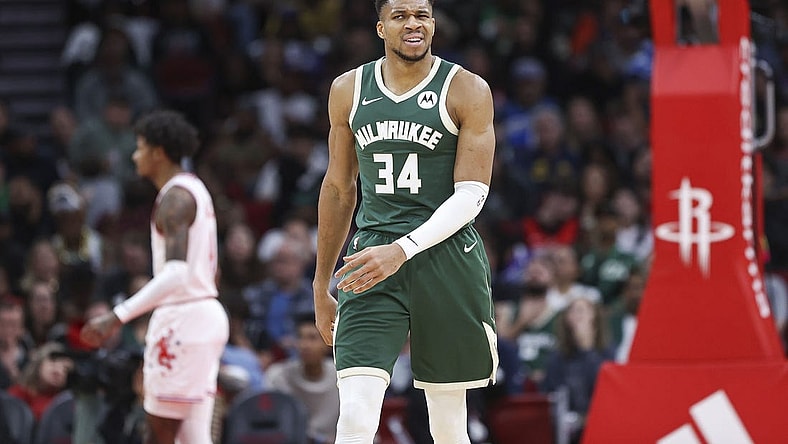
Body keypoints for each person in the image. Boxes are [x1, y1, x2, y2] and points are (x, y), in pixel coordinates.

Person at [312, 1, 498, 442]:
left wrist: (403, 250)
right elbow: (339, 189)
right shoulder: (348, 89)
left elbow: (473, 194)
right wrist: (321, 283)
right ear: (381, 27)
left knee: (449, 426)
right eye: (401, 15)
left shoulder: (467, 89)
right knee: (355, 417)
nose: (414, 24)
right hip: (371, 256)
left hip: (446, 255)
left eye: (423, 15)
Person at [80, 109, 229, 444]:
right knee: (193, 437)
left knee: (159, 433)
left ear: (158, 153)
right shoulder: (195, 189)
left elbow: (176, 272)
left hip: (185, 318)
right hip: (204, 314)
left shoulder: (174, 199)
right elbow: (211, 270)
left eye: (140, 147)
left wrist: (117, 316)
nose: (134, 155)